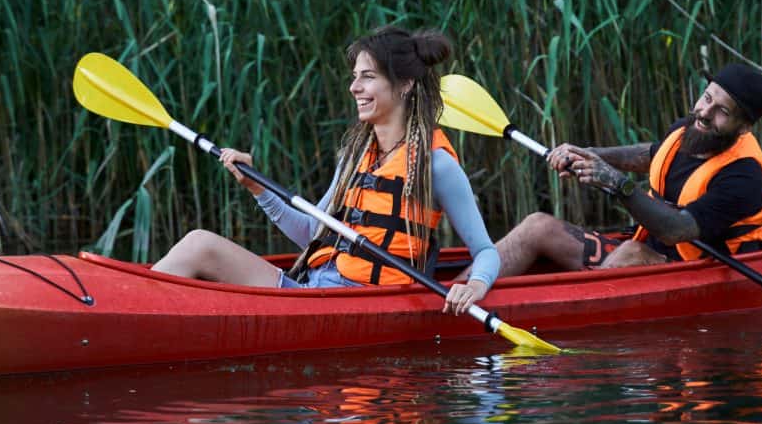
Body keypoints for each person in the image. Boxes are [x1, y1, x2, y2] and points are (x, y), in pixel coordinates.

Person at [151, 26, 500, 316]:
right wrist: (258, 189)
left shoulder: (435, 164)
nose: (354, 88)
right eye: (354, 77)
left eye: (368, 77)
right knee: (198, 245)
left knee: (198, 245)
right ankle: (129, 305)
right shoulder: (354, 155)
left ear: (405, 84)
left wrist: (474, 286)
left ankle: (127, 309)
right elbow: (312, 234)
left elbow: (486, 251)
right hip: (308, 291)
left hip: (358, 306)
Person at [455, 63, 762, 289]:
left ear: (744, 127)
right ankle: (454, 291)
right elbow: (653, 155)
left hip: (698, 267)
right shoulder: (689, 128)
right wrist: (592, 154)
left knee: (631, 254)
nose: (705, 112)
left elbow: (676, 231)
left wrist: (615, 182)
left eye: (723, 111)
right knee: (538, 226)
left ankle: (565, 310)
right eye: (707, 98)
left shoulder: (744, 177)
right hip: (651, 249)